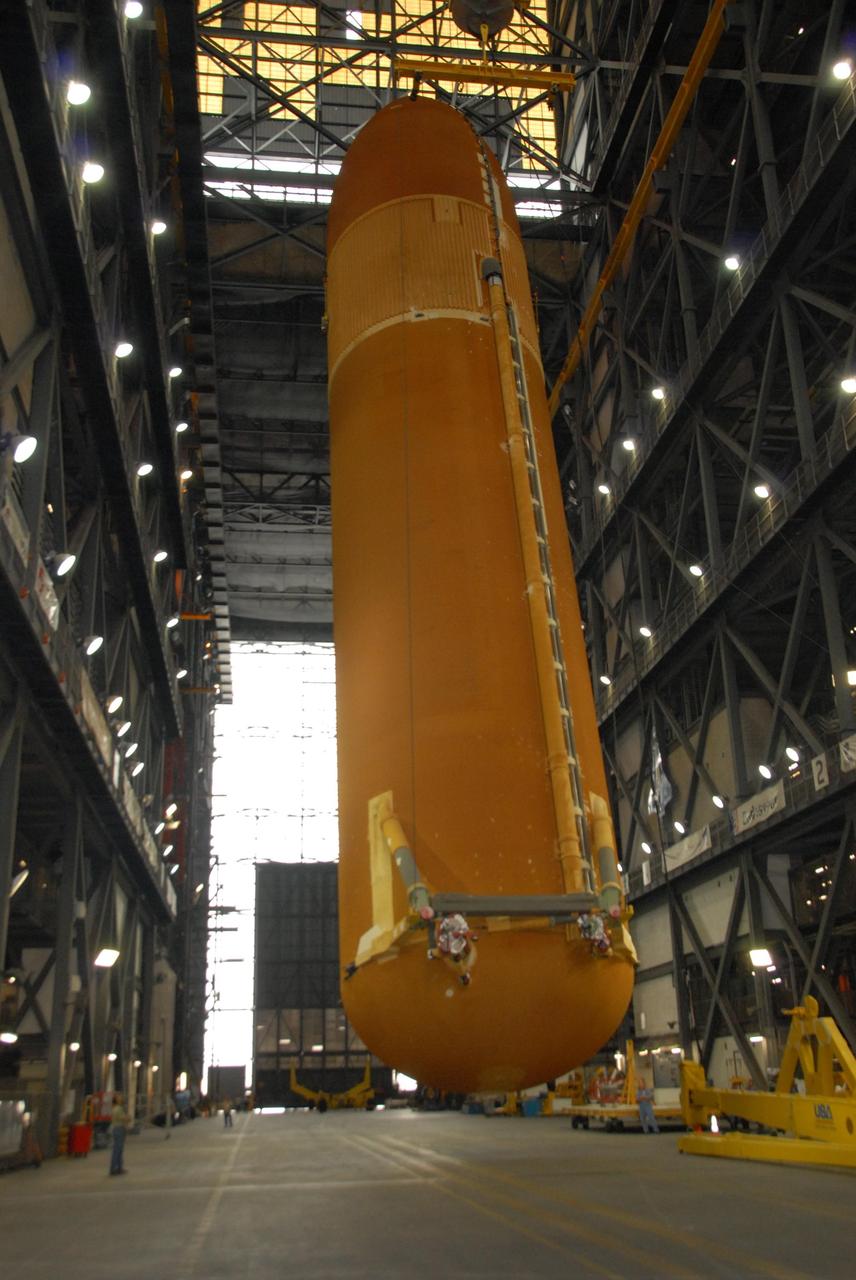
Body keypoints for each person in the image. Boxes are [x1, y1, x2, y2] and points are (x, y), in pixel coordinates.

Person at [110, 1092, 129, 1174]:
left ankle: (119, 1167)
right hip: (119, 1129)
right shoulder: (118, 1109)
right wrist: (127, 1118)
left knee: (119, 1149)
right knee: (117, 1149)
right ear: (116, 1099)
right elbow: (122, 1118)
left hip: (118, 1129)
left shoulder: (117, 1108)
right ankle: (114, 1168)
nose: (121, 1098)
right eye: (119, 1097)